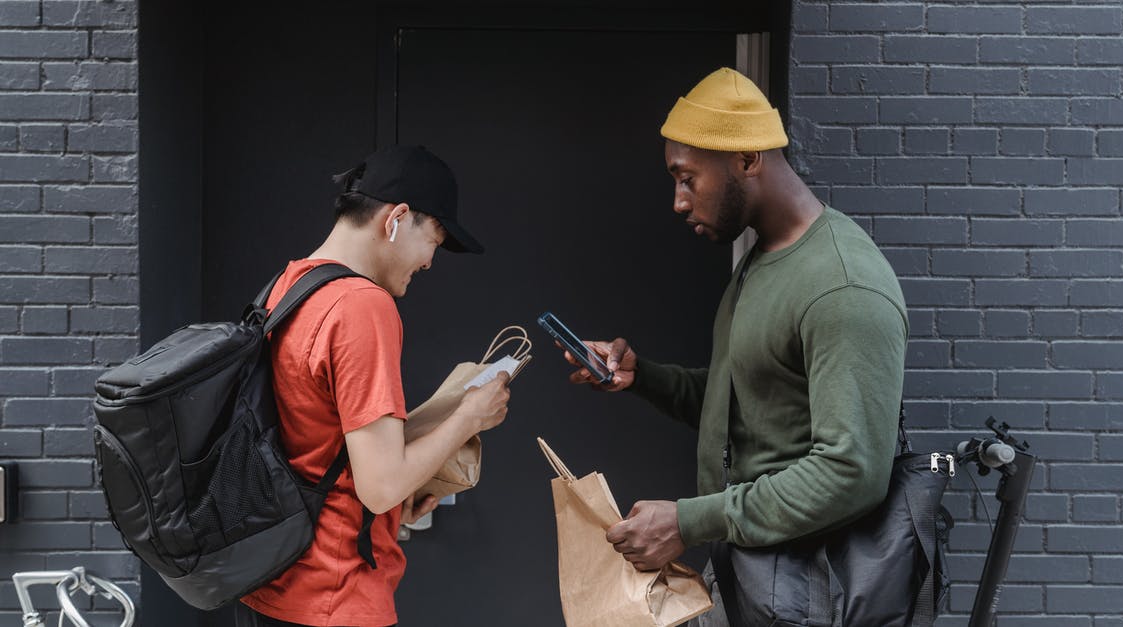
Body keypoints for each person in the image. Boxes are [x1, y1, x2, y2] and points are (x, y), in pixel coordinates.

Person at [560, 68, 909, 624]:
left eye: (686, 178)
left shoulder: (842, 287)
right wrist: (641, 376)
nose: (677, 202)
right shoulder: (766, 258)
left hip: (807, 587)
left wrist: (688, 521)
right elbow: (747, 401)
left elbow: (852, 472)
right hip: (750, 570)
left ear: (748, 161)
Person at [238, 145, 512, 627]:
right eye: (435, 239)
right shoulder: (363, 305)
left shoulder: (286, 287)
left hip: (271, 587)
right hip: (336, 595)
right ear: (398, 218)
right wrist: (471, 415)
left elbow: (314, 448)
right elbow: (381, 485)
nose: (430, 262)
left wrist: (395, 503)